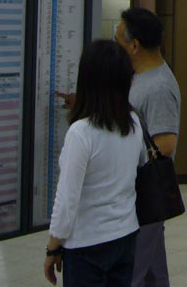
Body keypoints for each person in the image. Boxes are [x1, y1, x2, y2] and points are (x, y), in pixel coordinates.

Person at [44, 39, 144, 287]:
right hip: (125, 234)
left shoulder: (82, 132)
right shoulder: (132, 122)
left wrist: (52, 246)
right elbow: (138, 166)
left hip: (87, 244)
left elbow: (67, 199)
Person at [115, 8, 181, 287]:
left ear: (134, 45)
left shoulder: (158, 87)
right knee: (153, 274)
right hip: (138, 195)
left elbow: (165, 146)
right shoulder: (139, 78)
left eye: (118, 39)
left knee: (134, 274)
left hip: (145, 194)